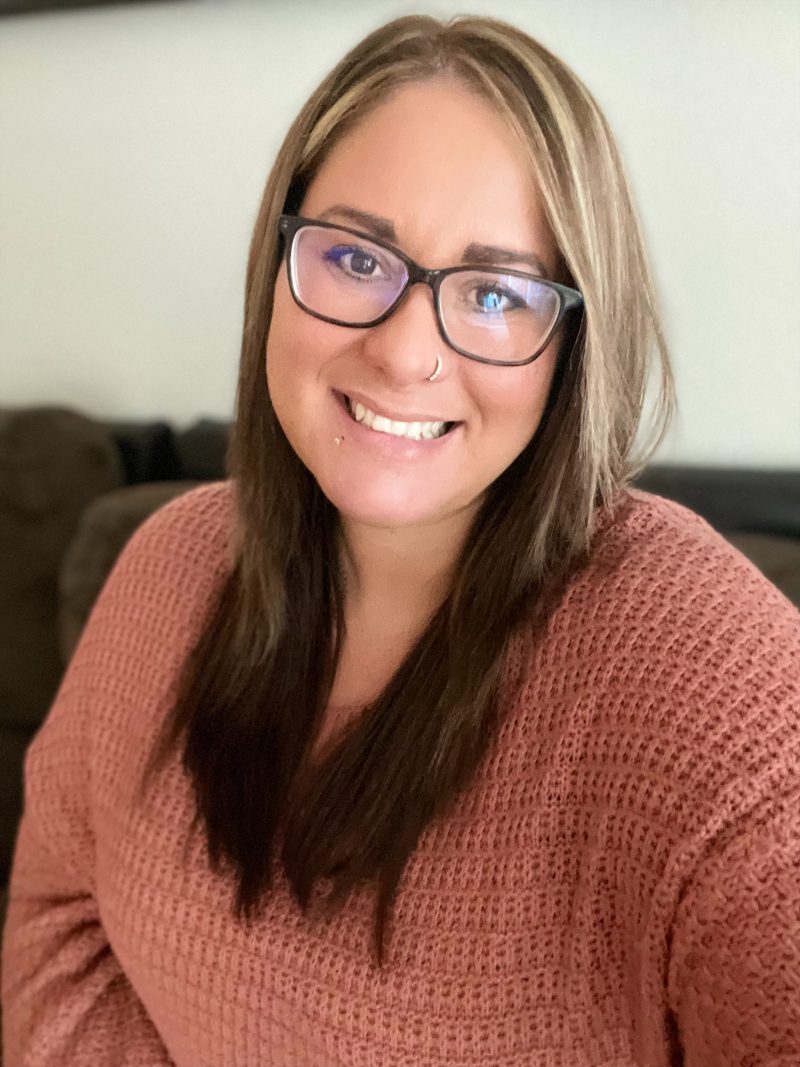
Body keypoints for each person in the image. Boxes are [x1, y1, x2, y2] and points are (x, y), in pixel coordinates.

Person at [2, 13, 798, 1067]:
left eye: (496, 293)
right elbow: (60, 931)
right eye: (354, 256)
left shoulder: (711, 676)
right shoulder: (164, 563)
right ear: (277, 262)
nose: (404, 352)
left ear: (573, 345)